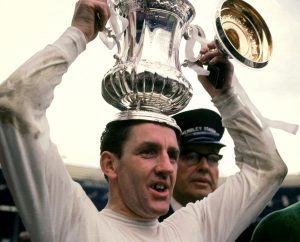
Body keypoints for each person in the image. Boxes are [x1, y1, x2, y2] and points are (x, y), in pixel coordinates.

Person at [0, 0, 288, 241]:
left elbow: (267, 169)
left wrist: (226, 96)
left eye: (173, 155)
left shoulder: (193, 230)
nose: (166, 167)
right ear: (109, 164)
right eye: (148, 151)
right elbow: (15, 104)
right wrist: (78, 34)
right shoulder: (75, 225)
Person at [159, 108, 225, 221]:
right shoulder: (148, 223)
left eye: (212, 158)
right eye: (191, 157)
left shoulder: (234, 224)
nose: (204, 167)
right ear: (170, 164)